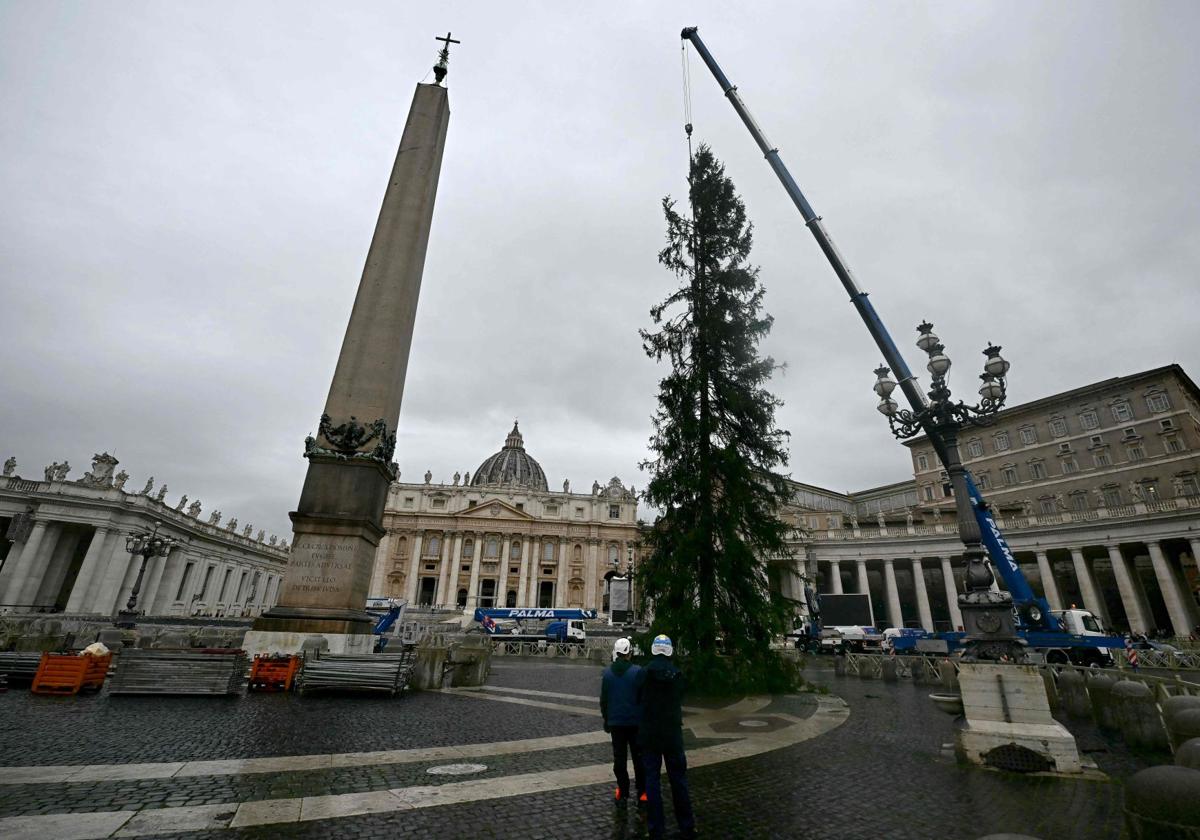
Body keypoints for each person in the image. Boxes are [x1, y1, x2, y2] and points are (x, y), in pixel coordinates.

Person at [636, 634, 695, 840]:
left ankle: (655, 828)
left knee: (652, 781)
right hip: (672, 734)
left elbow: (637, 698)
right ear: (670, 651)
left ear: (653, 650)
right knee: (678, 780)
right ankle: (687, 825)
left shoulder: (643, 674)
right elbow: (680, 697)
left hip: (650, 734)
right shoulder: (677, 674)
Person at [600, 637, 644, 804]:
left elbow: (604, 700)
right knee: (638, 758)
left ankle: (623, 790)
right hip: (635, 723)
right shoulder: (638, 671)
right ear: (629, 653)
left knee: (619, 758)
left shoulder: (607, 673)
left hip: (616, 723)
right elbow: (642, 697)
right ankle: (642, 791)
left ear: (616, 653)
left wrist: (606, 719)